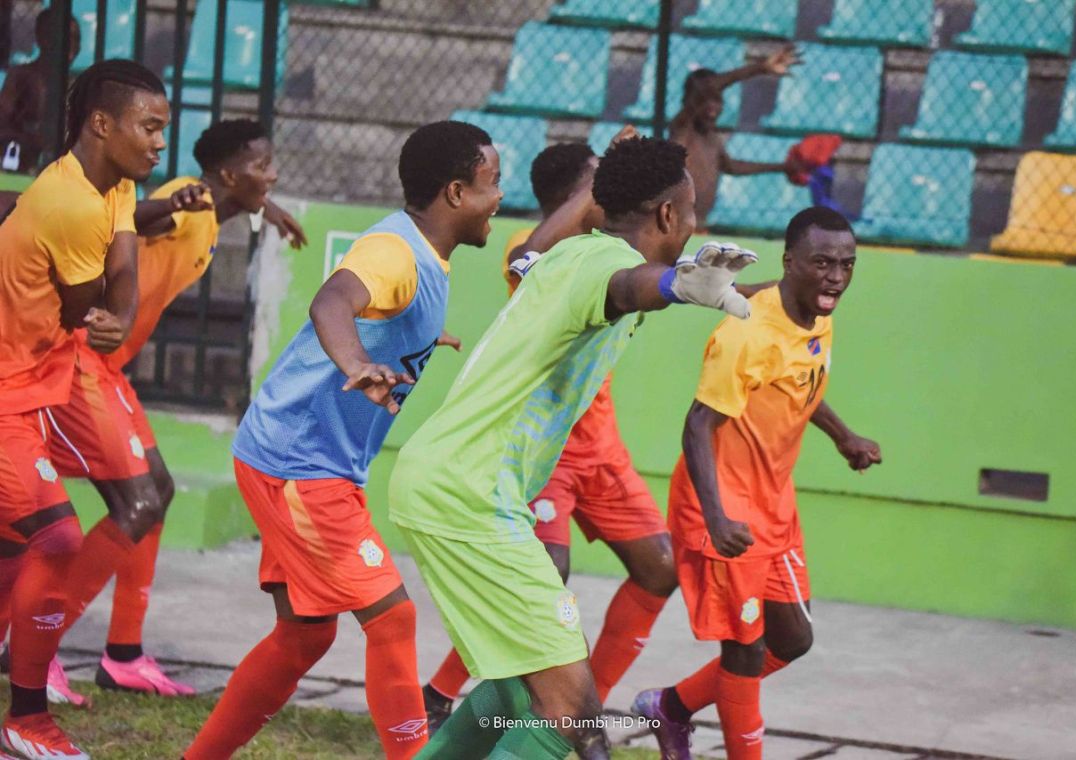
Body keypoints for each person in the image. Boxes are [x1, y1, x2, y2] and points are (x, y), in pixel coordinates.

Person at [388, 136, 756, 760]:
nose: (696, 223)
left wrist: (661, 265)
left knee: (512, 698)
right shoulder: (597, 263)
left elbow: (530, 254)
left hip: (451, 483)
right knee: (574, 722)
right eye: (691, 211)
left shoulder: (558, 255)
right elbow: (628, 285)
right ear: (668, 216)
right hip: (470, 497)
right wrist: (677, 285)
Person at [183, 119, 501, 760]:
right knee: (393, 617)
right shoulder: (397, 252)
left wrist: (413, 342)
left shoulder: (423, 257)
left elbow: (377, 310)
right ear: (457, 192)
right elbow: (331, 303)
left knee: (303, 638)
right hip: (299, 464)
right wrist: (357, 361)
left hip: (298, 458)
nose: (501, 198)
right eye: (494, 184)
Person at [10, 118, 306, 704]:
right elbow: (142, 217)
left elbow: (205, 206)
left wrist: (265, 209)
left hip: (109, 369)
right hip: (80, 364)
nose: (272, 175)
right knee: (137, 500)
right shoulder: (182, 205)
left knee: (159, 491)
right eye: (262, 166)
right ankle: (34, 650)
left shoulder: (213, 210)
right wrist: (162, 205)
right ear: (226, 175)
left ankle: (122, 654)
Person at [422, 129, 684, 753]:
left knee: (660, 567)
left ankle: (575, 707)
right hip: (539, 460)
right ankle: (500, 700)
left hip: (601, 448)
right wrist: (602, 188)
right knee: (547, 584)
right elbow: (541, 262)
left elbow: (641, 271)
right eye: (596, 185)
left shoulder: (609, 251)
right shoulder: (540, 251)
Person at [632, 207, 883, 760]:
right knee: (744, 650)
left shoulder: (818, 314)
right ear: (790, 263)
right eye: (822, 263)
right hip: (724, 504)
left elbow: (801, 383)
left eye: (846, 264)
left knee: (793, 639)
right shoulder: (745, 333)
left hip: (775, 500)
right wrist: (716, 516)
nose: (836, 277)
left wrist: (842, 436)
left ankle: (670, 708)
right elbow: (698, 423)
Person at [0, 58, 168, 760]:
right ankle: (26, 719)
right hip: (9, 391)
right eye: (150, 127)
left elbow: (121, 276)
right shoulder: (66, 203)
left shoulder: (116, 182)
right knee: (57, 539)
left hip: (42, 378)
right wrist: (111, 316)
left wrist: (117, 316)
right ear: (102, 124)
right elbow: (88, 308)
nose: (161, 142)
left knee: (23, 545)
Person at [669, 45, 801, 233]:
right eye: (705, 101)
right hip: (674, 227)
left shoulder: (711, 137)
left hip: (699, 226)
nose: (713, 107)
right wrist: (760, 68)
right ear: (690, 102)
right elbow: (707, 88)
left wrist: (781, 167)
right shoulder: (682, 128)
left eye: (717, 100)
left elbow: (731, 166)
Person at [0, 6, 80, 172]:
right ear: (41, 38)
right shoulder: (22, 76)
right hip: (22, 162)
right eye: (66, 37)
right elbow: (3, 123)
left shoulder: (77, 84)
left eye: (76, 39)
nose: (72, 45)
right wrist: (31, 138)